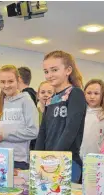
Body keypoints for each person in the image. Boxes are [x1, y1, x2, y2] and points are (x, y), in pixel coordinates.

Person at [35, 50, 87, 183]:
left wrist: (54, 157)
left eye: (54, 70)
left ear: (68, 70)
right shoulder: (51, 99)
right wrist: (36, 158)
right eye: (46, 71)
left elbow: (71, 130)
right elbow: (43, 131)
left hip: (67, 161)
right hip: (48, 162)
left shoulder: (75, 93)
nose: (49, 75)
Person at [0, 65, 39, 170]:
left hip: (18, 160)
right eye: (2, 82)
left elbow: (33, 131)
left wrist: (4, 136)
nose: (6, 85)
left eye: (10, 81)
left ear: (18, 80)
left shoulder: (26, 101)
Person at [80, 79, 104, 159]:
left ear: (102, 95)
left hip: (97, 160)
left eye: (96, 93)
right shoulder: (78, 113)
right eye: (89, 93)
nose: (92, 96)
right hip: (78, 158)